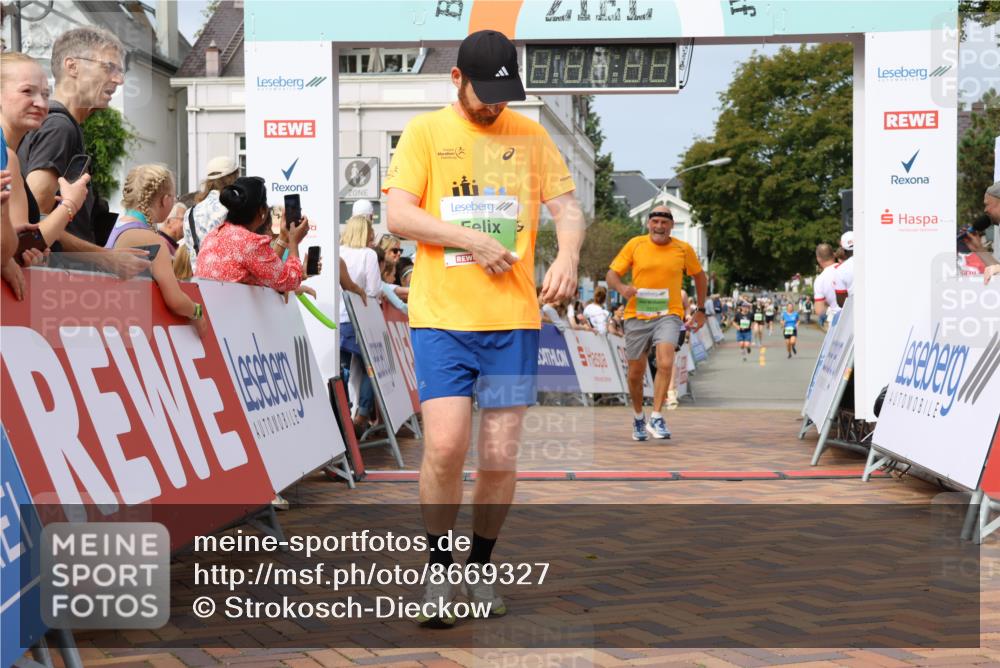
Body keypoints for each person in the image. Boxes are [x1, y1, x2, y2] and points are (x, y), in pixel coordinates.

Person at [384, 29, 583, 628]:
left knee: (497, 457)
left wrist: (568, 255)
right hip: (443, 320)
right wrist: (469, 238)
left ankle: (480, 566)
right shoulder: (425, 133)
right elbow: (398, 213)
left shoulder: (528, 134)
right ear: (456, 80)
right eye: (484, 94)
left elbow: (567, 207)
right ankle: (440, 569)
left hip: (511, 323)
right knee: (444, 447)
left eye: (504, 94)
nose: (495, 105)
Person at [16, 29, 148, 278]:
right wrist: (106, 258)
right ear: (72, 66)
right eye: (109, 67)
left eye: (120, 71)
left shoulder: (55, 125)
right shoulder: (60, 128)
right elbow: (35, 224)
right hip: (54, 284)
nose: (119, 80)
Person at [606, 205, 706, 441]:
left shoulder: (683, 249)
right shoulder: (635, 244)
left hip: (668, 313)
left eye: (665, 222)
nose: (659, 226)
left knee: (665, 360)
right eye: (655, 222)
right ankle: (639, 417)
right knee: (635, 372)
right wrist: (622, 288)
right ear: (648, 224)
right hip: (637, 315)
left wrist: (700, 310)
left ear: (671, 226)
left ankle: (657, 416)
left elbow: (700, 277)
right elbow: (612, 274)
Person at [0, 52, 90, 297]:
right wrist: (70, 205)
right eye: (27, 92)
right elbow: (18, 251)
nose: (41, 103)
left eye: (45, 94)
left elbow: (19, 246)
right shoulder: (7, 156)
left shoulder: (9, 155)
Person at [105, 165, 207, 337]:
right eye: (174, 197)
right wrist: (197, 311)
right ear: (165, 200)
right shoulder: (152, 239)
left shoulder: (117, 226)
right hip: (133, 332)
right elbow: (175, 301)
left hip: (114, 324)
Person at [194, 176, 311, 297]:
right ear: (263, 211)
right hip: (233, 313)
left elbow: (268, 270)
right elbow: (291, 281)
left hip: (211, 312)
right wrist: (294, 242)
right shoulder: (250, 242)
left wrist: (284, 237)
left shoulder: (213, 235)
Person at [338, 215, 383, 437]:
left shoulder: (338, 252)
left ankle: (342, 415)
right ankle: (362, 414)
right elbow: (374, 290)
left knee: (342, 370)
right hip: (359, 317)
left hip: (337, 317)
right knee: (369, 367)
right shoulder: (368, 255)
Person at [183, 155, 241, 271]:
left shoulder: (190, 213)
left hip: (200, 282)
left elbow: (191, 252)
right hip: (232, 283)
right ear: (234, 178)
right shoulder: (234, 207)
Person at [812, 243, 839, 329]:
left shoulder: (820, 279)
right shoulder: (847, 269)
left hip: (836, 321)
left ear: (818, 259)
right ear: (834, 255)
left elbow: (819, 310)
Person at [832, 231, 854, 308]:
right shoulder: (873, 261)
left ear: (843, 250)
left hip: (854, 313)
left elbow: (841, 302)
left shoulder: (841, 270)